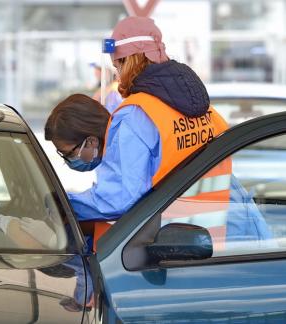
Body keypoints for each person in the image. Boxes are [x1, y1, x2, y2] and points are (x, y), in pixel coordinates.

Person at [45, 16, 272, 307]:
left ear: (131, 60)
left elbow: (120, 198)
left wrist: (62, 205)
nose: (117, 74)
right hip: (239, 222)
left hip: (190, 244)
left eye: (118, 65)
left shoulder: (136, 114)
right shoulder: (198, 105)